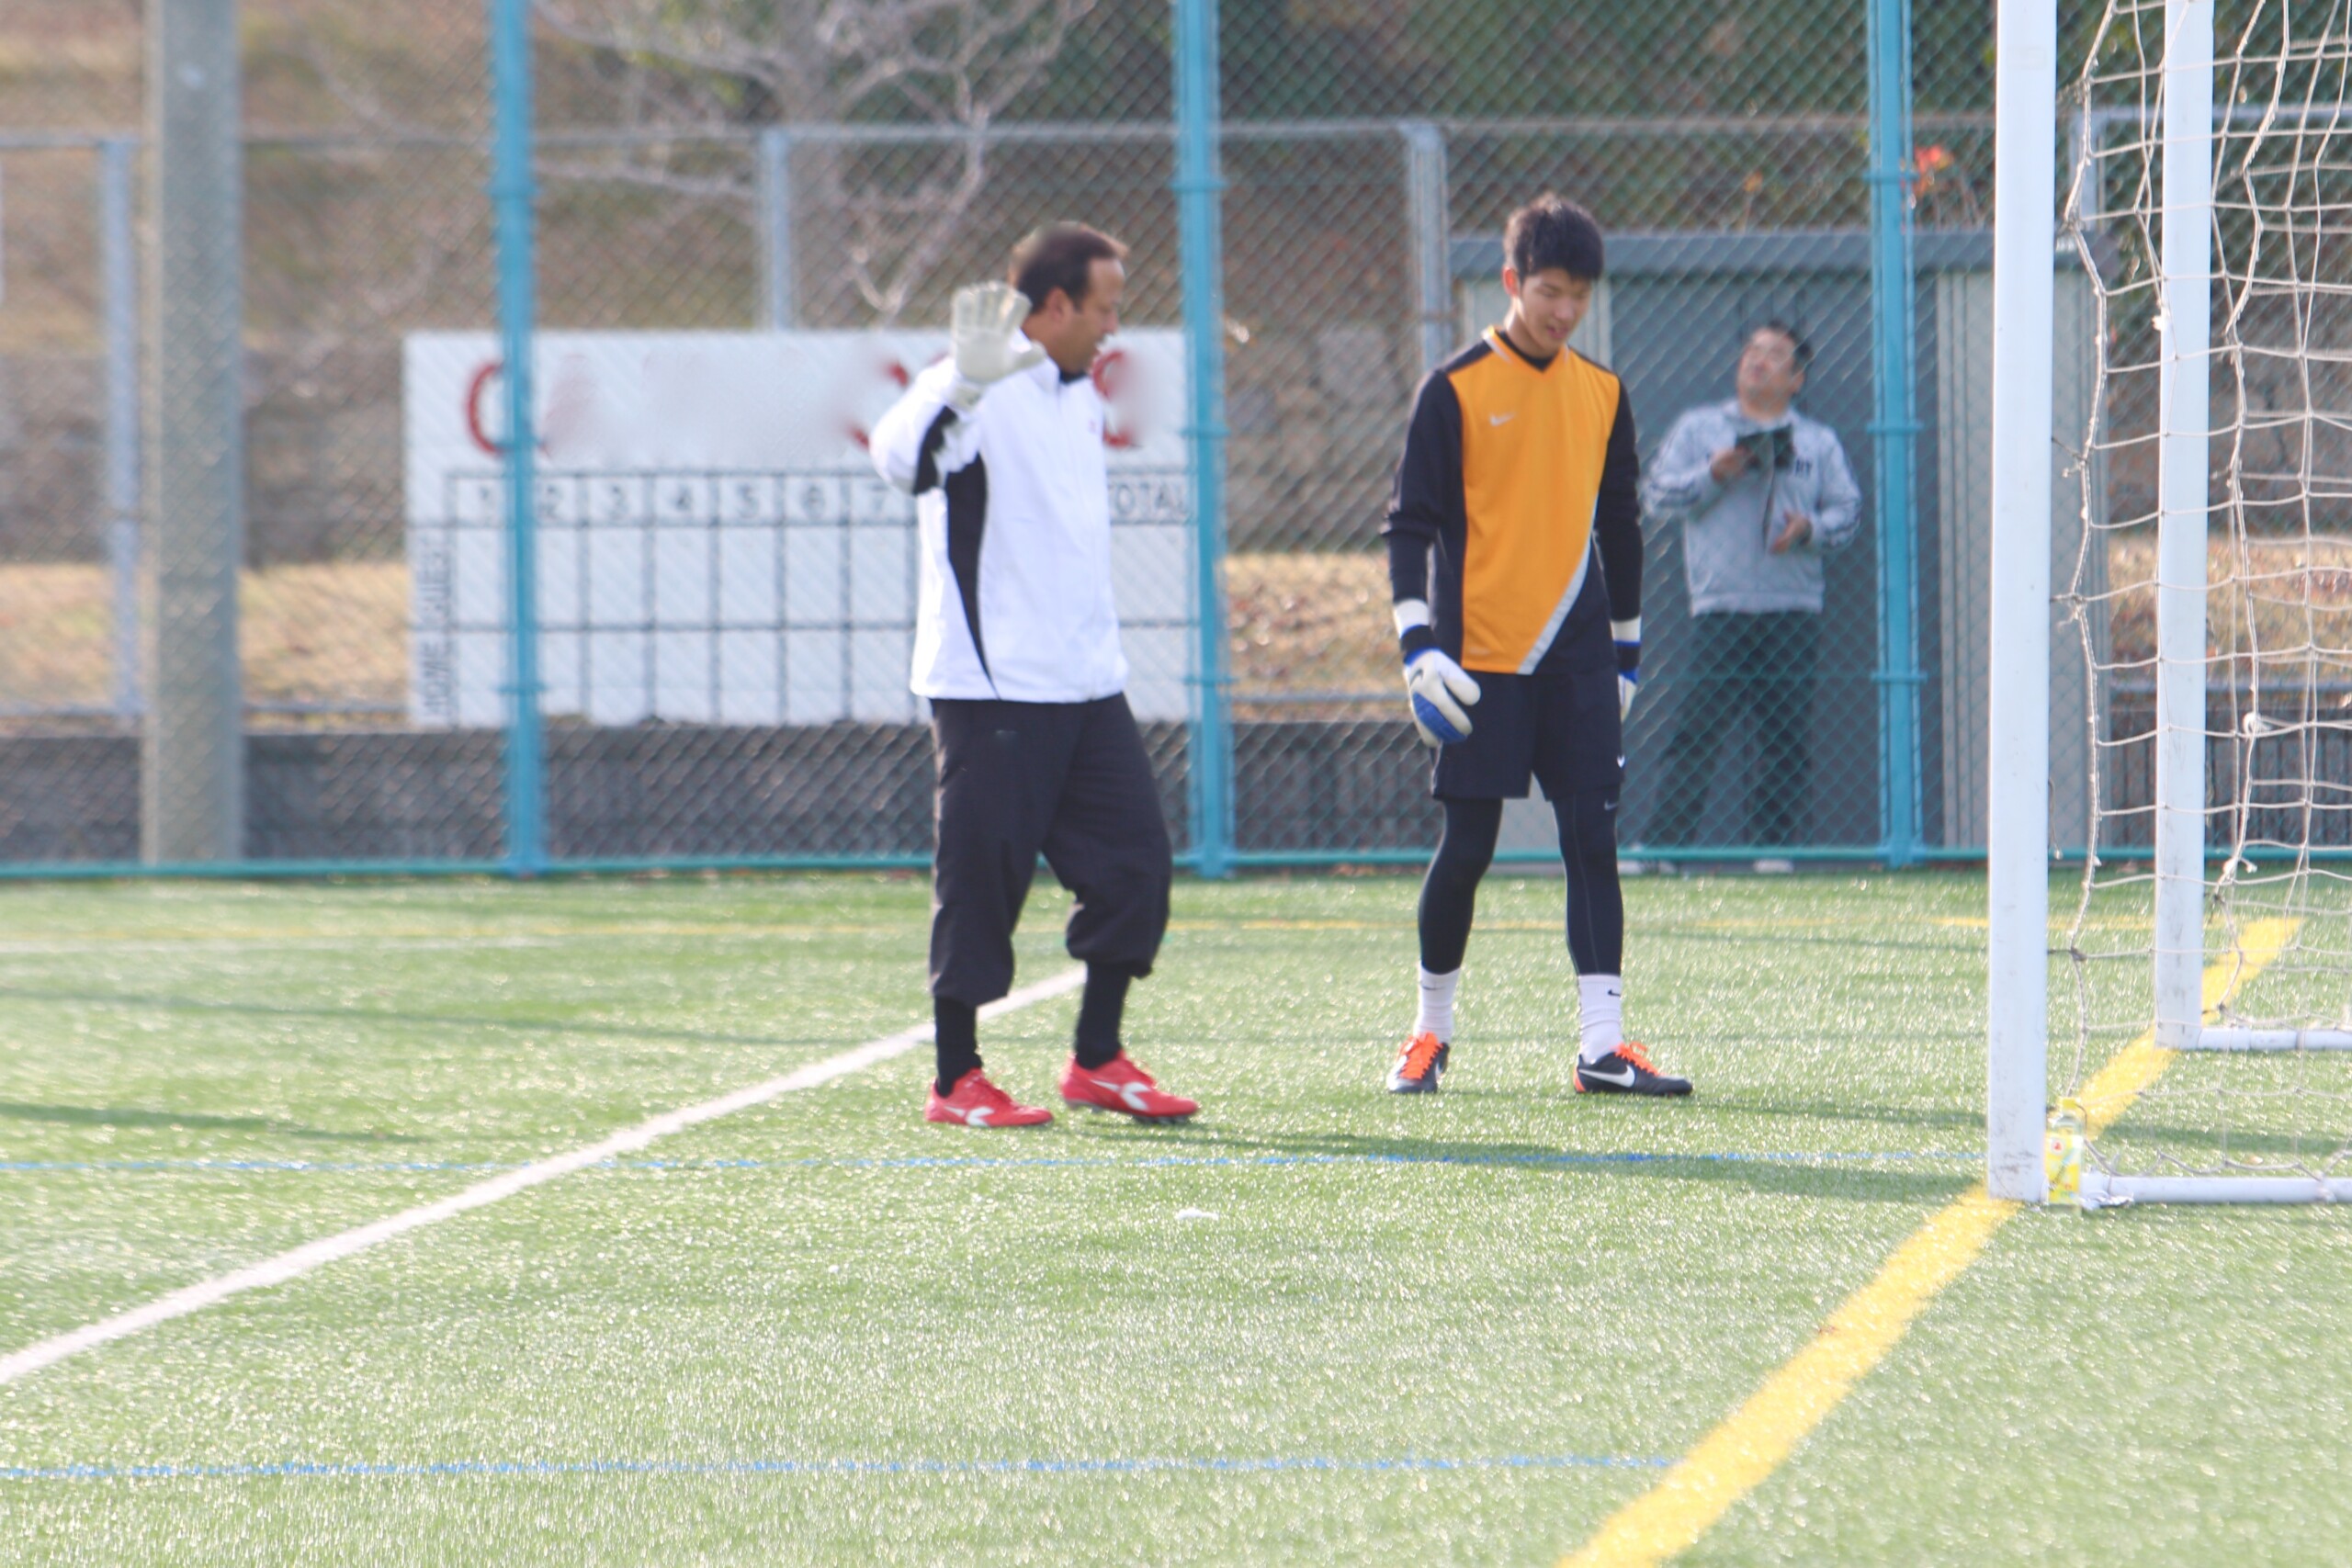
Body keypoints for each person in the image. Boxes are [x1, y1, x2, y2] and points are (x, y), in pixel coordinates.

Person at [869, 223, 1198, 1127]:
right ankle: (955, 1078)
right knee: (982, 881)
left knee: (1136, 868)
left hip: (1087, 686)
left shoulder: (1078, 394)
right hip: (991, 688)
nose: (1111, 328)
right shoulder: (969, 381)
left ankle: (1096, 1059)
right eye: (1103, 309)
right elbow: (898, 458)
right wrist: (967, 380)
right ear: (1053, 307)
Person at [1377, 193, 1690, 1099]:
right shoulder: (1454, 389)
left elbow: (1620, 530)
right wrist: (1415, 643)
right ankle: (1428, 1036)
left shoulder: (1602, 394)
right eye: (1548, 290)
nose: (1562, 311)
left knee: (1591, 839)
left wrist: (1626, 653)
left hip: (1581, 657)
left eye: (1578, 296)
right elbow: (1408, 526)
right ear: (1512, 281)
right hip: (1477, 661)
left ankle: (1603, 1046)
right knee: (1467, 844)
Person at [1639, 322, 1863, 858]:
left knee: (1784, 738)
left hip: (1793, 609)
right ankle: (1666, 853)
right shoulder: (1699, 429)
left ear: (1797, 379)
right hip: (1720, 609)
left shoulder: (1817, 442)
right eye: (1752, 351)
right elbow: (1655, 496)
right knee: (1696, 731)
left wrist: (1809, 529)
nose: (1759, 360)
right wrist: (1713, 474)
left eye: (1775, 355)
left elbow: (1848, 511)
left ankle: (1773, 854)